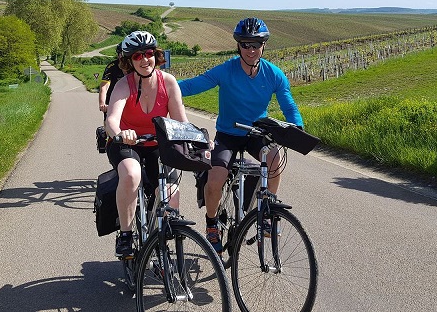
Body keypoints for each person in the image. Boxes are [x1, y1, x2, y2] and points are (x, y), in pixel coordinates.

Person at [178, 17, 304, 255]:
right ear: (238, 45)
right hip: (228, 133)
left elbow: (289, 106)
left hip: (257, 132)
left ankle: (267, 209)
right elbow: (195, 85)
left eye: (256, 44)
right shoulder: (227, 70)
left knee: (275, 159)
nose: (251, 49)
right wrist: (164, 86)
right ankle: (212, 223)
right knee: (215, 180)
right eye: (245, 44)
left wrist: (296, 126)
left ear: (264, 45)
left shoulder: (274, 75)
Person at [105, 31, 189, 258]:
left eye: (149, 53)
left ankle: (163, 240)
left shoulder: (168, 82)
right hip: (126, 143)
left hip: (157, 144)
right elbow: (111, 119)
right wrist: (120, 133)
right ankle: (125, 234)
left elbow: (181, 121)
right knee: (132, 175)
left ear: (157, 55)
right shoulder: (124, 84)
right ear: (129, 61)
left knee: (170, 191)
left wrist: (198, 139)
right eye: (137, 56)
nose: (144, 60)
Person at [98, 44, 127, 119]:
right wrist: (102, 104)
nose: (123, 57)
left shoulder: (135, 66)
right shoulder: (112, 66)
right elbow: (104, 86)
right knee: (109, 123)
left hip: (129, 99)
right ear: (118, 55)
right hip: (112, 99)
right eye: (121, 54)